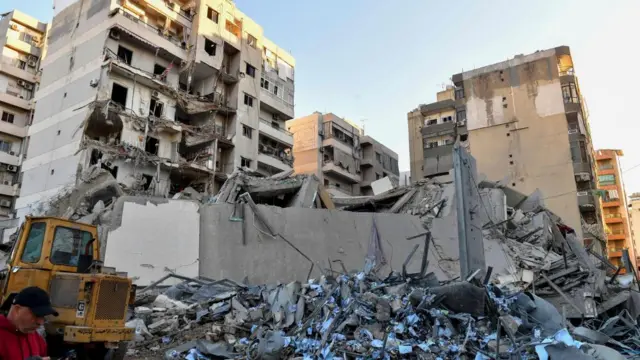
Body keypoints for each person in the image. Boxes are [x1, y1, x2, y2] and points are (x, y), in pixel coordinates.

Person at [0, 286, 58, 359]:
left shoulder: (37, 339)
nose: (40, 322)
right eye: (37, 314)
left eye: (43, 316)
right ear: (17, 310)